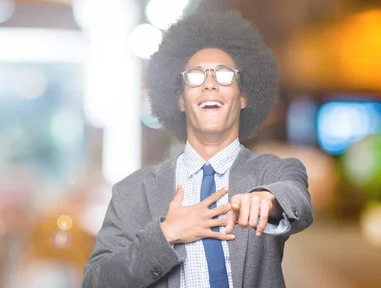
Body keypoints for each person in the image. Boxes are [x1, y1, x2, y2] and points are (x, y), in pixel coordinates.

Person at [82, 10, 313, 288]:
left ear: (242, 98)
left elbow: (297, 199)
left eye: (224, 75)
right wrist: (166, 234)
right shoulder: (131, 192)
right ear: (180, 100)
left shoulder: (273, 172)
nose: (210, 83)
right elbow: (96, 281)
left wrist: (269, 200)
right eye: (195, 75)